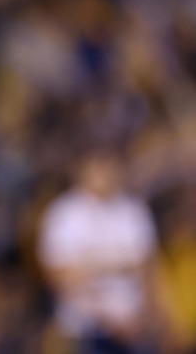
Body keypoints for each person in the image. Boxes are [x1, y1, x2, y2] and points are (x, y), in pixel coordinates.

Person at [36, 148, 162, 354]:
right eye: (98, 166)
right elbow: (59, 277)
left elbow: (149, 268)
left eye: (110, 165)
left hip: (134, 328)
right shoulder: (64, 214)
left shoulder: (133, 210)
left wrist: (152, 316)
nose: (105, 173)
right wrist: (109, 317)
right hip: (85, 330)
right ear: (81, 169)